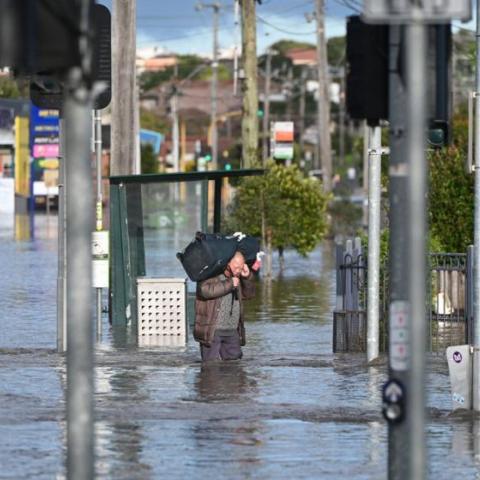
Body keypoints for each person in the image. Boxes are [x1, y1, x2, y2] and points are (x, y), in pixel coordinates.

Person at [194, 251, 260, 361]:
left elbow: (249, 294)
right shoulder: (211, 273)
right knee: (210, 369)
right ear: (228, 263)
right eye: (236, 267)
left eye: (241, 267)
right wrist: (229, 284)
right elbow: (204, 291)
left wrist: (247, 277)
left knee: (235, 368)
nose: (238, 270)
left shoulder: (238, 277)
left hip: (232, 330)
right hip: (212, 330)